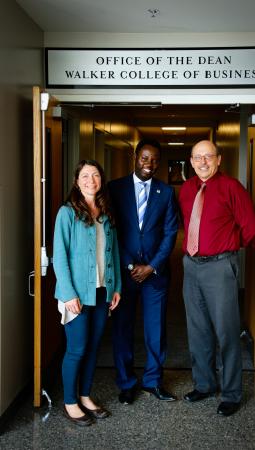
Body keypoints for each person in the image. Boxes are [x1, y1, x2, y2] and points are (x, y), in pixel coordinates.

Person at [178, 140, 255, 417]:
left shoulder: (231, 187)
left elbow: (249, 228)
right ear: (191, 161)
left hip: (219, 267)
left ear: (219, 159)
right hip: (191, 266)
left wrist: (227, 251)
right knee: (197, 330)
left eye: (208, 156)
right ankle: (204, 384)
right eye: (198, 157)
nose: (203, 162)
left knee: (226, 332)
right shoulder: (187, 189)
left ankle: (232, 393)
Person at [108, 138, 178, 404]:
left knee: (155, 330)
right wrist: (129, 264)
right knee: (122, 329)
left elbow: (171, 233)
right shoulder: (115, 188)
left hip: (155, 275)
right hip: (124, 275)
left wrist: (151, 266)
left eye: (155, 159)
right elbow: (111, 230)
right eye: (145, 158)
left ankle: (153, 381)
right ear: (135, 156)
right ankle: (126, 383)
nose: (150, 164)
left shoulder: (166, 192)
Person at [53, 160, 121, 426]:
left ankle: (85, 395)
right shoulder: (67, 213)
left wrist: (116, 287)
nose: (90, 180)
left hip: (102, 292)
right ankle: (70, 402)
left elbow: (113, 252)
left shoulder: (105, 211)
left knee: (93, 348)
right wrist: (68, 294)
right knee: (77, 348)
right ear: (76, 180)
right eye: (84, 175)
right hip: (76, 295)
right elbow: (60, 257)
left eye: (95, 175)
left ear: (101, 180)